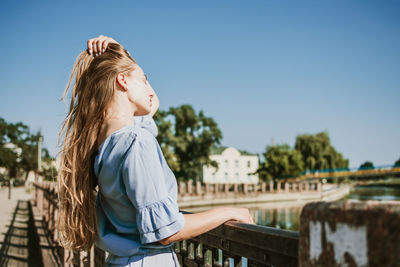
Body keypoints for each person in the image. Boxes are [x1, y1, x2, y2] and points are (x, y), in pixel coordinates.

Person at [57, 35, 254, 267]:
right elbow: (165, 231)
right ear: (122, 81)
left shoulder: (105, 142)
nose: (151, 89)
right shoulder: (136, 141)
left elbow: (152, 102)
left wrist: (122, 53)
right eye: (145, 80)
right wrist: (229, 212)